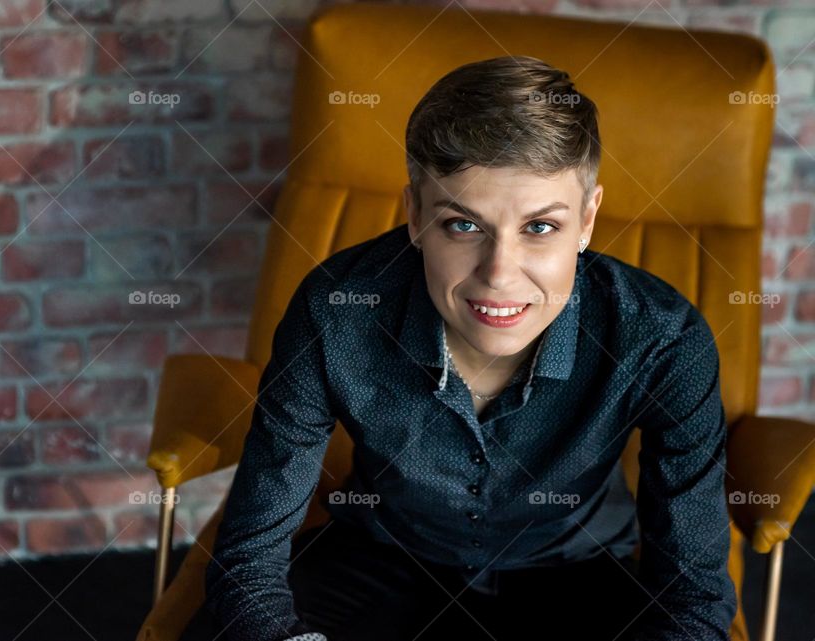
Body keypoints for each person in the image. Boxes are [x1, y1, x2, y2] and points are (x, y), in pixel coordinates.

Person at [187, 55, 737, 641]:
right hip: (385, 556)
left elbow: (693, 596)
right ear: (416, 215)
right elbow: (248, 558)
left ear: (588, 220)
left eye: (540, 227)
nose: (499, 275)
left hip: (575, 573)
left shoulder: (663, 338)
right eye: (463, 225)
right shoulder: (335, 310)